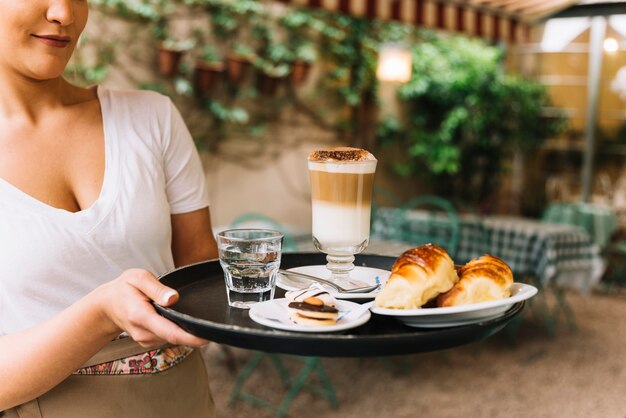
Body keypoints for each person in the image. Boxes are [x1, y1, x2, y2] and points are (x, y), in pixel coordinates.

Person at [0, 1, 218, 416]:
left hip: (181, 399)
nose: (64, 13)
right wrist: (100, 314)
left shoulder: (152, 118)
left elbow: (203, 278)